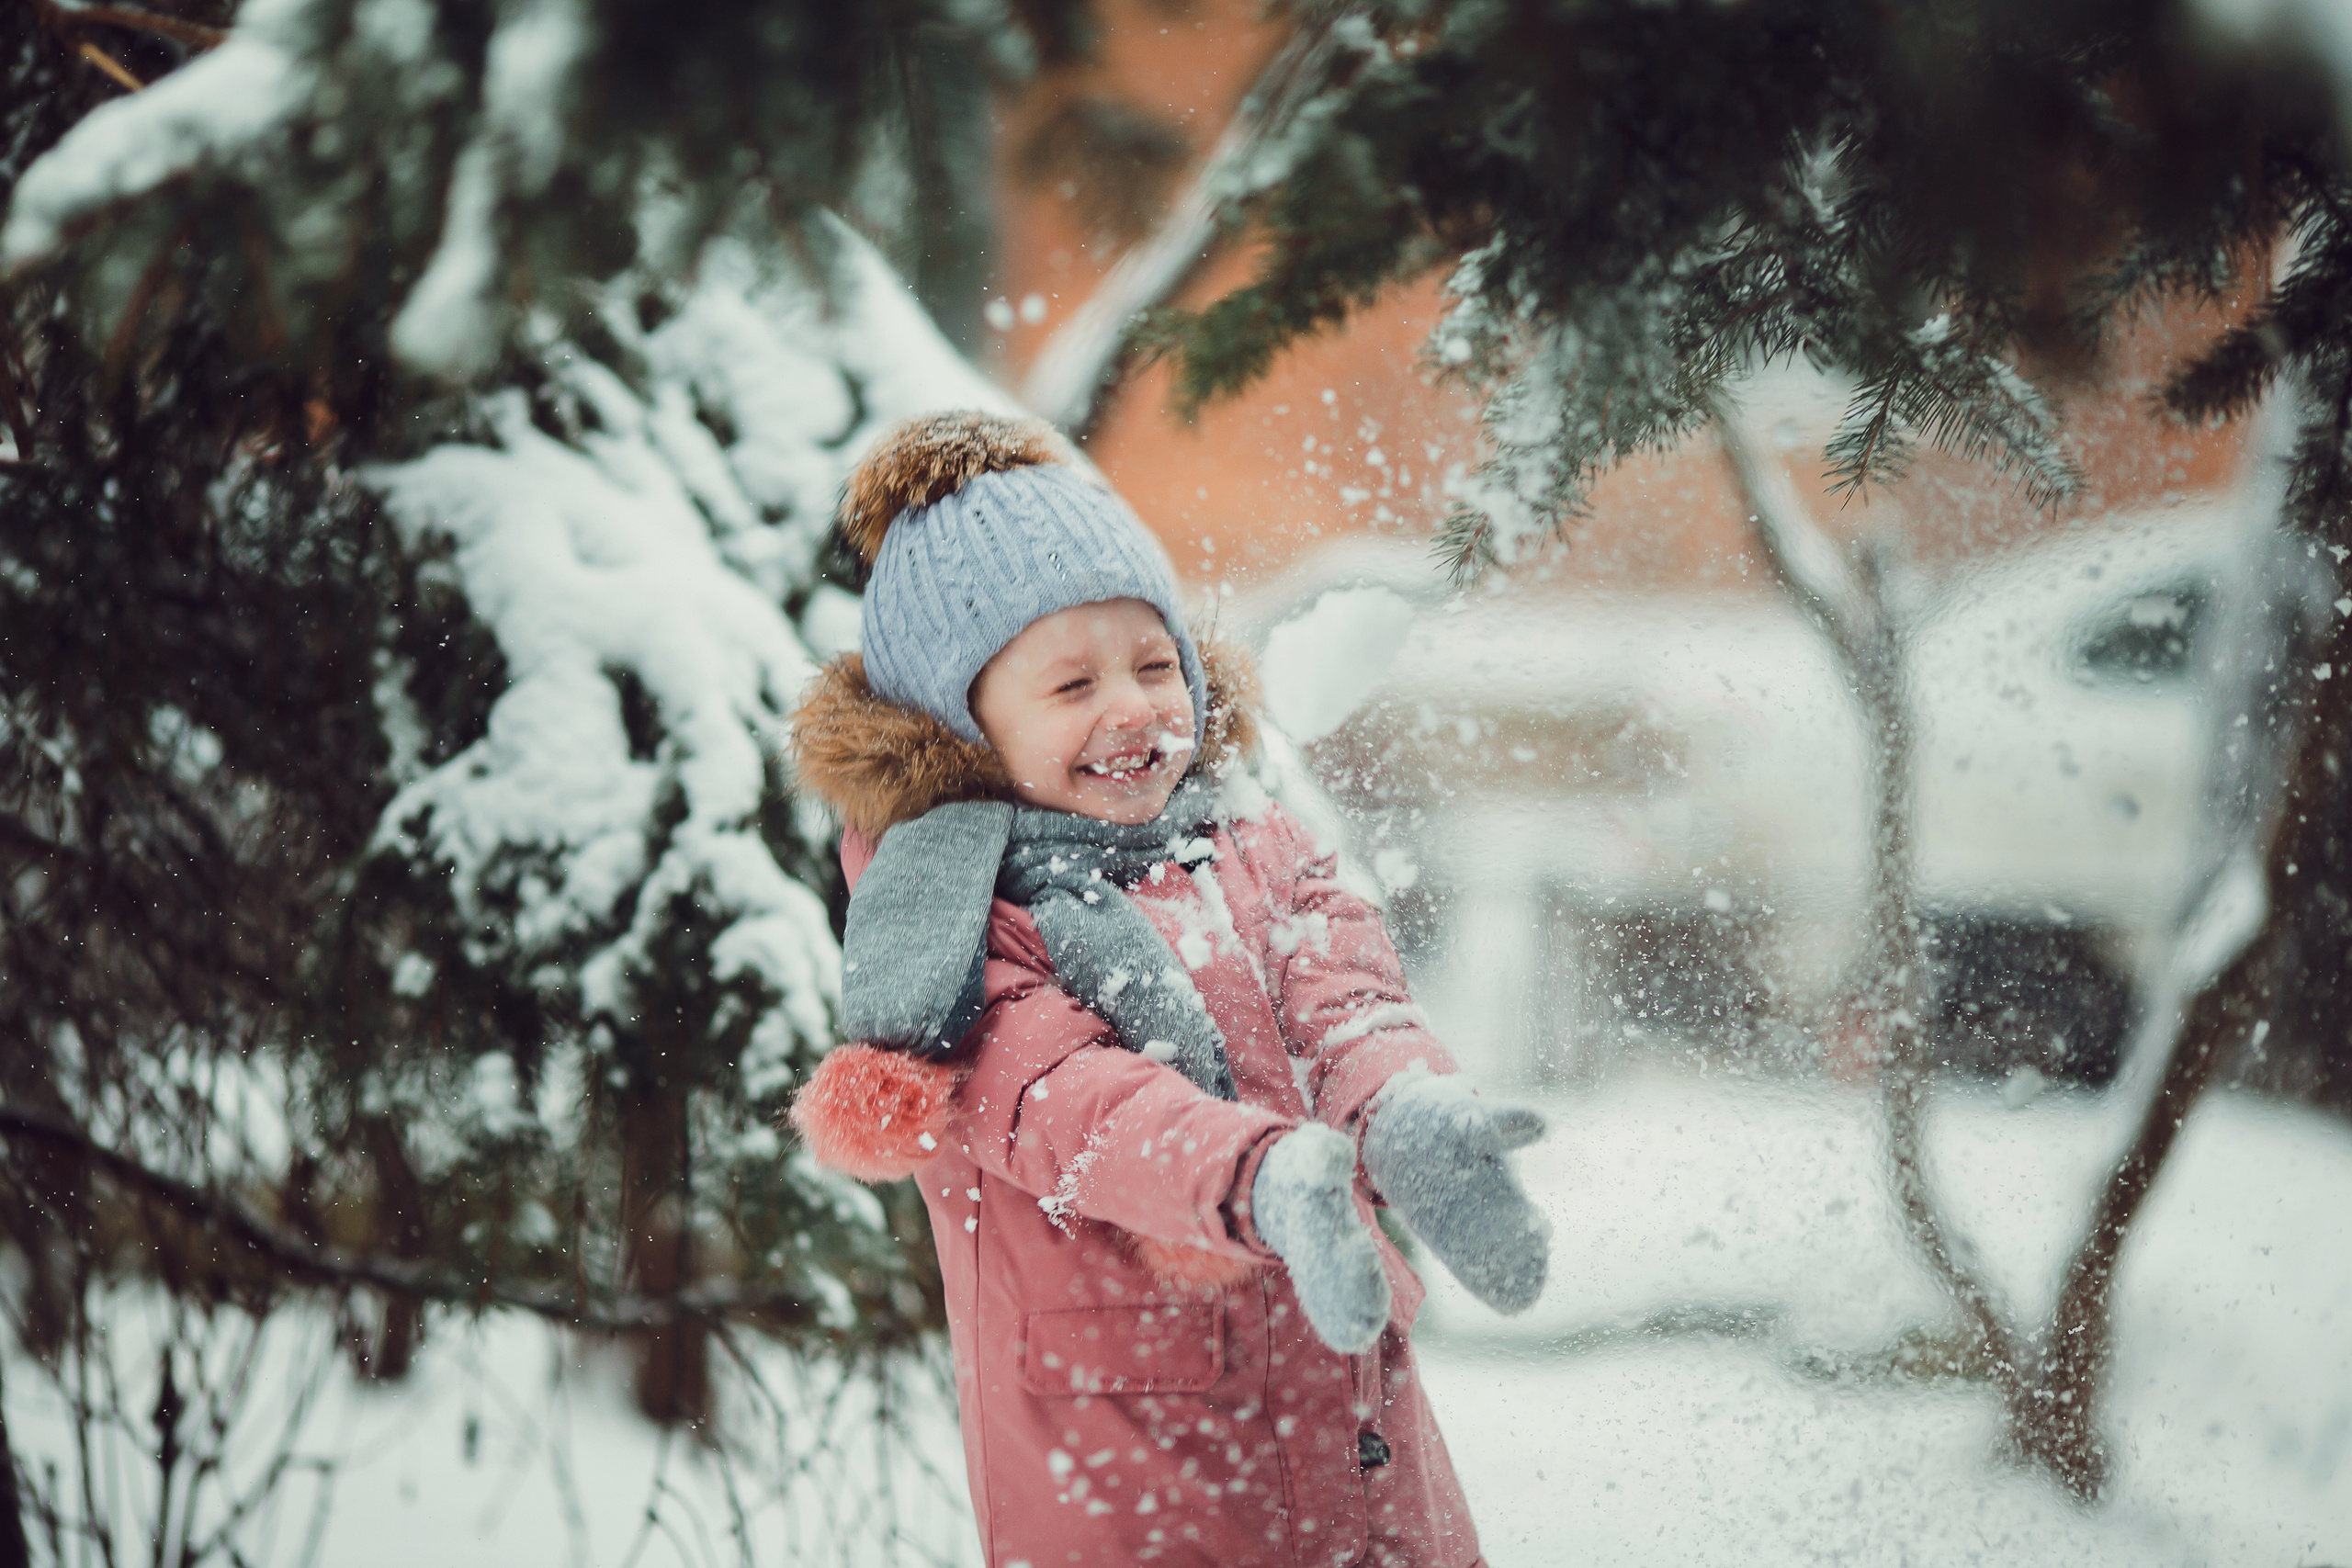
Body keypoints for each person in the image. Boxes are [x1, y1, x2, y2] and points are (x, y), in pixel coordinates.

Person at [786, 411, 1549, 1568]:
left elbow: (1341, 995)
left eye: (1154, 665)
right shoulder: (954, 927)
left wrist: (1400, 1108)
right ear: (962, 729)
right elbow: (1073, 1105)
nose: (1134, 707)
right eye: (1072, 683)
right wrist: (1256, 1178)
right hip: (1136, 1467)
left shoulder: (1246, 843)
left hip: (1353, 1429)